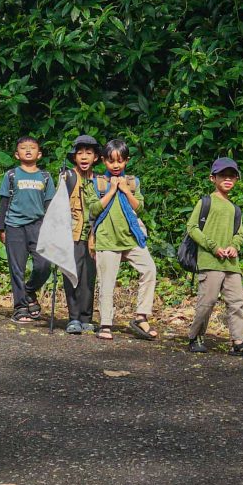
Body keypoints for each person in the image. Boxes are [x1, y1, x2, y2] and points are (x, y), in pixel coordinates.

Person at [184, 156, 243, 357]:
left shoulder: (235, 209)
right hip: (209, 262)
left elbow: (240, 234)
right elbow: (192, 227)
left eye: (232, 176)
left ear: (237, 179)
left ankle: (238, 342)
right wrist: (213, 247)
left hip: (231, 264)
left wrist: (234, 246)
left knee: (236, 303)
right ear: (212, 178)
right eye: (223, 175)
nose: (228, 179)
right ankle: (195, 337)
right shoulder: (206, 202)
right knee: (206, 302)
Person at [90, 137, 160, 340]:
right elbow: (93, 209)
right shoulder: (98, 183)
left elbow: (140, 207)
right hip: (107, 239)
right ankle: (105, 324)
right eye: (111, 161)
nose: (115, 165)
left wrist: (126, 191)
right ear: (104, 161)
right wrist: (112, 190)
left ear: (126, 161)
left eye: (120, 161)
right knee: (107, 282)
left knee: (149, 269)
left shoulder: (132, 182)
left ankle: (141, 316)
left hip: (131, 238)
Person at [0, 137, 51, 323]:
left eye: (32, 148)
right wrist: (1, 227)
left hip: (38, 226)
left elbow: (49, 204)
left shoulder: (45, 177)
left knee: (44, 265)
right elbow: (4, 202)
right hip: (14, 226)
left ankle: (29, 291)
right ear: (16, 154)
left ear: (39, 154)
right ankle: (20, 308)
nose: (28, 150)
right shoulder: (11, 175)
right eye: (23, 148)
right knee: (17, 268)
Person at [59, 134, 105, 336]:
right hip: (72, 234)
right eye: (80, 153)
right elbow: (58, 205)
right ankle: (74, 317)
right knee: (71, 274)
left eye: (89, 153)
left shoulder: (101, 180)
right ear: (74, 157)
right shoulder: (68, 177)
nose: (84, 157)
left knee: (89, 277)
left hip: (94, 235)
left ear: (96, 157)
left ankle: (86, 318)